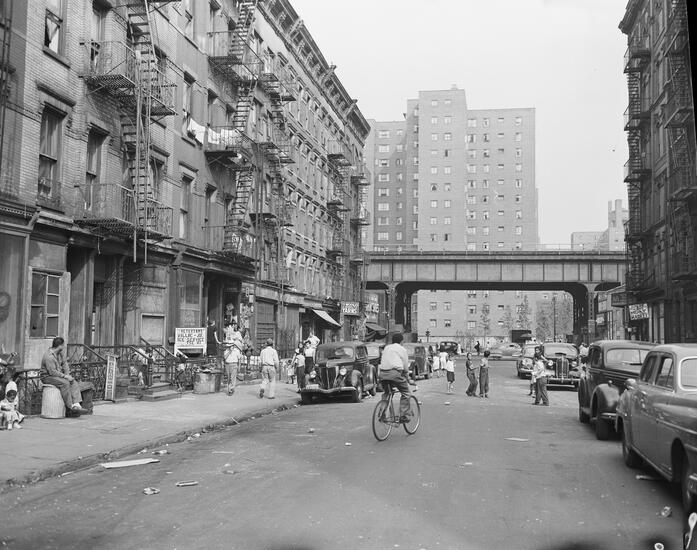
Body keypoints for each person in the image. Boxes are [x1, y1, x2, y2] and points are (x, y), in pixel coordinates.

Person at [40, 337, 88, 416]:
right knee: (65, 383)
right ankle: (70, 406)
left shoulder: (60, 353)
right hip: (47, 377)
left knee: (72, 381)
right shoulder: (49, 356)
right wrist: (65, 376)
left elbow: (65, 364)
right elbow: (52, 372)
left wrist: (68, 375)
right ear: (60, 346)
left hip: (57, 375)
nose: (64, 347)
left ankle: (76, 405)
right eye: (63, 345)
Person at [378, 333, 414, 423]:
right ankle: (404, 415)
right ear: (401, 341)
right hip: (394, 373)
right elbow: (405, 366)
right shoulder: (402, 349)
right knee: (406, 393)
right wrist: (408, 378)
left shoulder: (387, 348)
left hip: (382, 374)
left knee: (387, 393)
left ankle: (382, 413)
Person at [223, 322, 244, 395]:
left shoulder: (236, 350)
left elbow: (239, 358)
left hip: (234, 364)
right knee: (229, 378)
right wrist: (229, 351)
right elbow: (224, 357)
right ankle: (229, 389)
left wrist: (239, 366)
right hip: (227, 364)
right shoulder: (226, 351)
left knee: (233, 377)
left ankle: (231, 389)